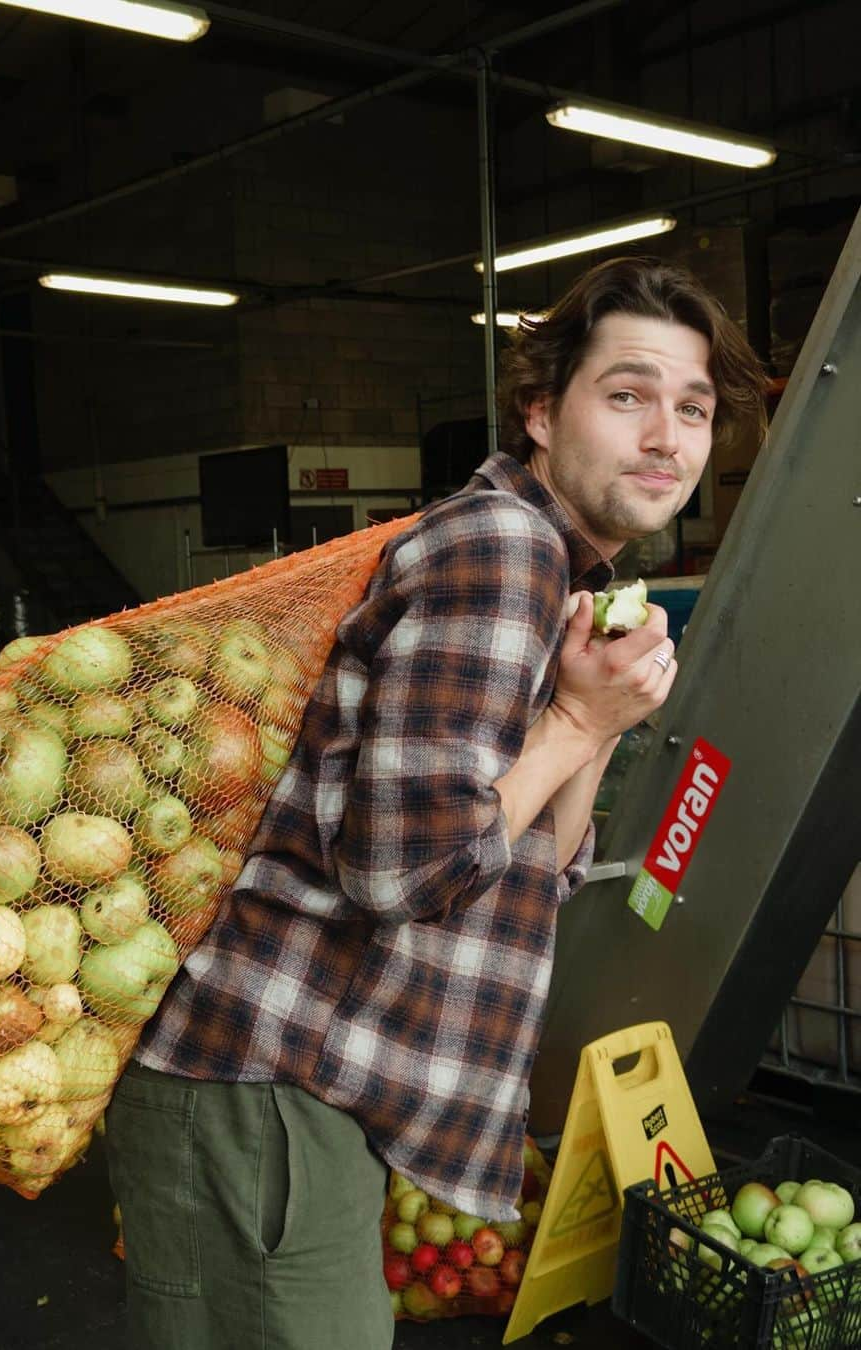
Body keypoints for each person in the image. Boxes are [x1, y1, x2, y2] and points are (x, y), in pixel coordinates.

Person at [105, 255, 769, 1349]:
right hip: (264, 1081)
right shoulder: (500, 551)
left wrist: (589, 723)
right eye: (628, 395)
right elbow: (404, 873)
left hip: (304, 1091)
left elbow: (537, 862)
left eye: (692, 409)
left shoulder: (565, 578)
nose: (668, 438)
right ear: (543, 414)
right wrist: (578, 725)